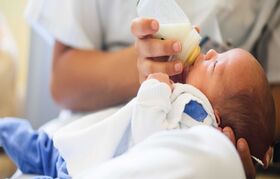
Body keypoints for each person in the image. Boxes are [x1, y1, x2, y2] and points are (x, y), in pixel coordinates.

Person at [24, 0, 279, 178]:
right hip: (92, 124)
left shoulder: (202, 129)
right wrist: (149, 72)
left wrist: (233, 154)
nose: (210, 51)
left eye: (215, 65)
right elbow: (62, 81)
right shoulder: (174, 95)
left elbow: (262, 103)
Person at [0, 48, 275, 178]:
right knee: (32, 146)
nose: (211, 51)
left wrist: (155, 88)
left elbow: (150, 138)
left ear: (215, 114)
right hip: (83, 155)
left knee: (31, 144)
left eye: (216, 66)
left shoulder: (193, 109)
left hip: (76, 160)